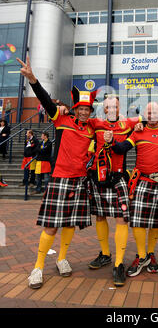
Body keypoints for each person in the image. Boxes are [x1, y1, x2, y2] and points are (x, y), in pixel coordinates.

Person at [17, 56, 96, 290]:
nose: (84, 112)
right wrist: (33, 79)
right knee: (52, 225)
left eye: (87, 109)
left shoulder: (92, 128)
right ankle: (38, 267)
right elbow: (45, 100)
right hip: (60, 178)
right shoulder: (61, 118)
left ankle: (62, 258)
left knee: (70, 224)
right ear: (75, 108)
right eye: (81, 109)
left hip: (79, 181)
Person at [105, 102, 158, 279]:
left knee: (156, 222)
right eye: (148, 112)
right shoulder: (138, 131)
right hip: (141, 181)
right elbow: (122, 148)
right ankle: (141, 256)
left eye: (154, 111)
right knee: (137, 221)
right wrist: (111, 140)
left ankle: (150, 254)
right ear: (144, 115)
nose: (151, 115)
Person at [86, 95, 142, 287]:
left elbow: (144, 119)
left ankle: (118, 263)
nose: (111, 109)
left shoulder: (127, 124)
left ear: (120, 108)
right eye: (108, 106)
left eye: (115, 106)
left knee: (121, 219)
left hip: (118, 178)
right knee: (100, 217)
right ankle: (105, 255)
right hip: (98, 177)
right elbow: (79, 115)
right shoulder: (96, 123)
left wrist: (140, 125)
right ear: (104, 107)